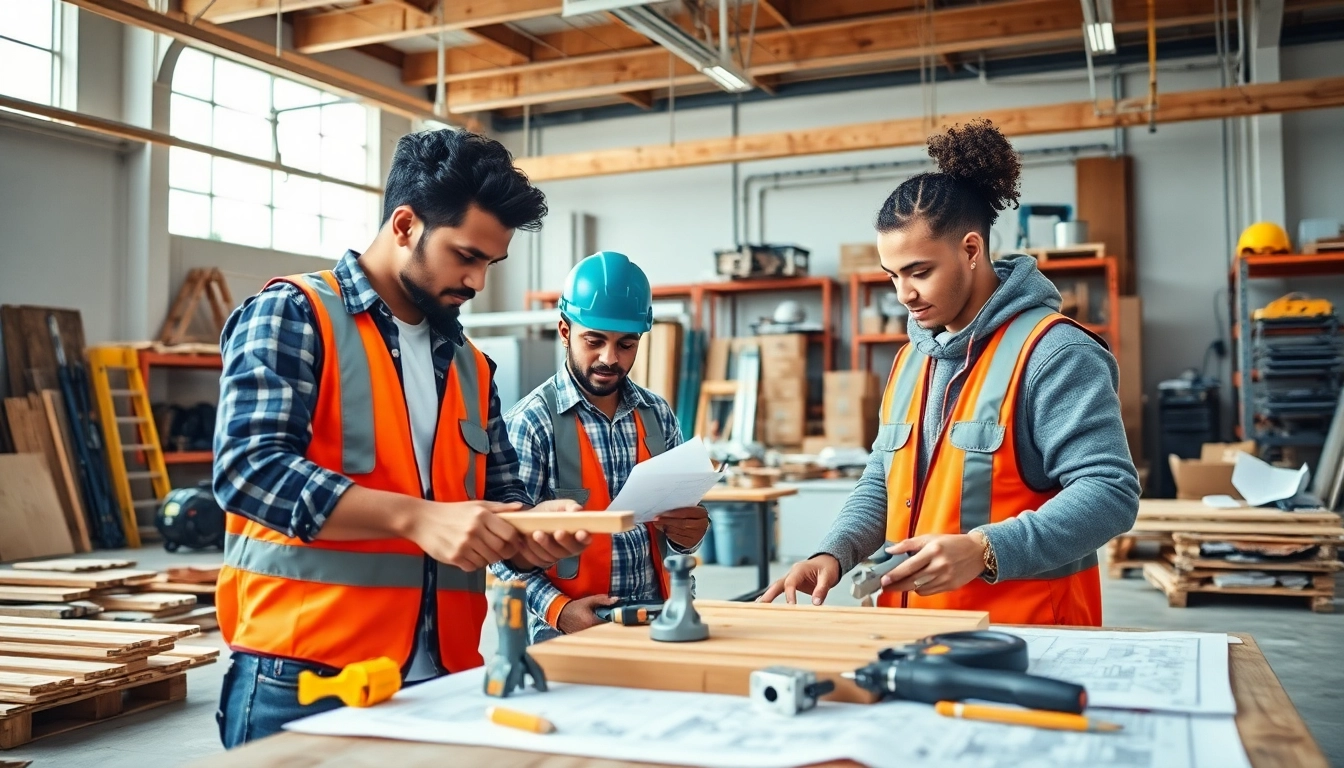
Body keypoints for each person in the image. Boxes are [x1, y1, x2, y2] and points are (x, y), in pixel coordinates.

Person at [212, 129, 591, 747]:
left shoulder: (472, 366)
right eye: (465, 255)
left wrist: (533, 533)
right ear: (406, 225)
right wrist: (417, 518)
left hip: (442, 679)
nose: (477, 281)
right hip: (303, 676)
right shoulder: (295, 314)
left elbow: (500, 505)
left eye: (489, 264)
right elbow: (248, 471)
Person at [759, 119, 1139, 625]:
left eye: (919, 272)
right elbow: (882, 481)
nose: (904, 294)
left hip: (1025, 637)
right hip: (914, 634)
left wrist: (985, 549)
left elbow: (1110, 492)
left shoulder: (1054, 353)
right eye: (893, 276)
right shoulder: (910, 361)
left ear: (971, 250)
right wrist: (834, 550)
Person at [492, 252, 711, 642]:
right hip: (566, 629)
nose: (610, 358)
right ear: (564, 331)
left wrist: (689, 532)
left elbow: (678, 540)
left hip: (658, 619)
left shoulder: (658, 415)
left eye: (626, 344)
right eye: (594, 341)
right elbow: (501, 552)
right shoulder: (530, 424)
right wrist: (559, 611)